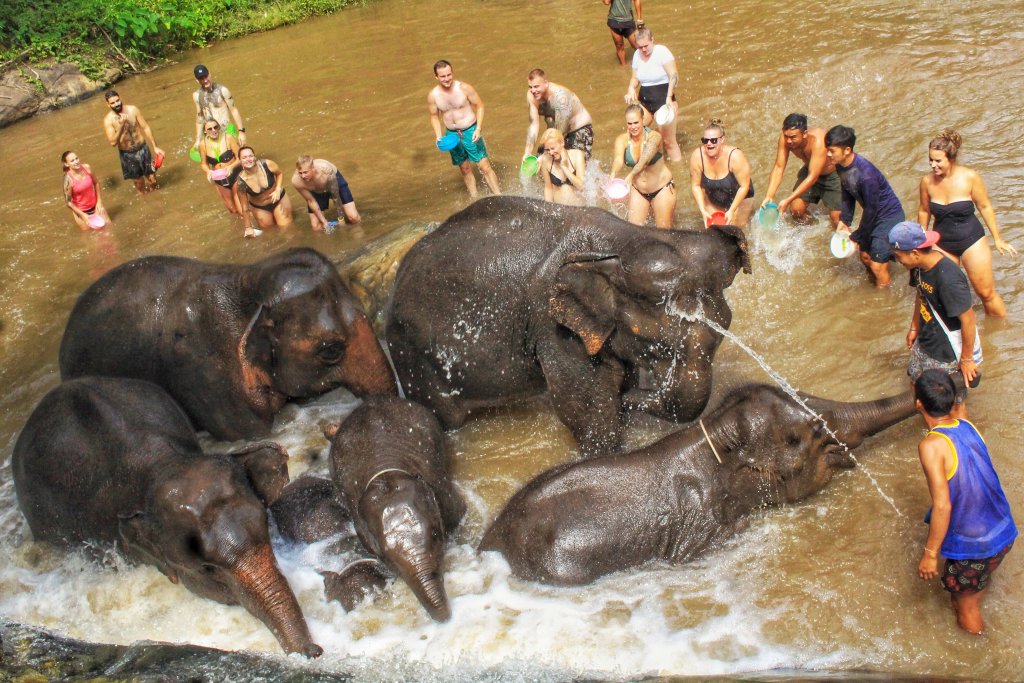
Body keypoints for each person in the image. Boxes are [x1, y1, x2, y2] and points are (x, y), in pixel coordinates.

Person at [912, 368, 1016, 636]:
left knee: (964, 606)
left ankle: (978, 656)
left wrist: (930, 554)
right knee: (971, 587)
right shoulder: (966, 424)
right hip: (1003, 531)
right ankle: (975, 587)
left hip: (977, 547)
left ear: (919, 403)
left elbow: (943, 505)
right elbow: (960, 407)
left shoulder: (931, 445)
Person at [917, 129, 1017, 318]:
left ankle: (1000, 330)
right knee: (944, 295)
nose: (933, 165)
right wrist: (921, 240)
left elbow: (985, 206)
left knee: (986, 293)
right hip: (942, 242)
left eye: (938, 161)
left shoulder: (970, 177)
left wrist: (998, 239)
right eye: (930, 160)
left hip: (971, 241)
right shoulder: (927, 182)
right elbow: (924, 210)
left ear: (951, 158)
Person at [889, 221, 980, 406]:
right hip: (926, 339)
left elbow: (968, 319)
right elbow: (921, 294)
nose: (898, 261)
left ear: (915, 253)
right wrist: (914, 327)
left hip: (946, 352)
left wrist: (967, 359)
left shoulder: (948, 278)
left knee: (949, 403)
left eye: (899, 256)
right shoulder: (919, 268)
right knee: (916, 385)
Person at [826, 125, 905, 288]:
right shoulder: (841, 166)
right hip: (874, 214)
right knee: (866, 257)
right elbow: (847, 192)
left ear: (847, 150)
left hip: (888, 217)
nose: (828, 154)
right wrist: (845, 221)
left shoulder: (866, 175)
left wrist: (858, 236)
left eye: (832, 150)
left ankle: (883, 299)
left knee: (876, 265)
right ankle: (876, 282)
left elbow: (871, 209)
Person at [427, 60, 501, 198]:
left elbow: (480, 106)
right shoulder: (433, 95)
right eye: (443, 76)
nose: (447, 79)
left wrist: (478, 128)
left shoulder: (464, 88)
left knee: (484, 167)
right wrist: (438, 135)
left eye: (449, 75)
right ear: (436, 77)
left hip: (470, 130)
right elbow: (434, 116)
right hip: (452, 135)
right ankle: (474, 198)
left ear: (452, 73)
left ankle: (499, 196)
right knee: (465, 169)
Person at [761, 113, 842, 227]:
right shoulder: (785, 138)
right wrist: (769, 195)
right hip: (810, 170)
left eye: (793, 137)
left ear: (804, 134)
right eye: (786, 136)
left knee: (837, 219)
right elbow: (779, 167)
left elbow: (813, 177)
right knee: (796, 211)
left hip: (831, 175)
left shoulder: (819, 141)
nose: (789, 141)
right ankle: (815, 228)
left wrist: (788, 200)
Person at [611, 104, 675, 228]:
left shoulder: (655, 137)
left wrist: (631, 174)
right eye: (629, 124)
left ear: (643, 120)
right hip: (639, 190)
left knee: (664, 233)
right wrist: (613, 173)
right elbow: (618, 159)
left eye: (636, 122)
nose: (633, 127)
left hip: (661, 188)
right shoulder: (622, 140)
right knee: (633, 232)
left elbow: (644, 161)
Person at [623, 28, 682, 162]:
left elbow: (674, 76)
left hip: (664, 100)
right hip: (644, 101)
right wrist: (631, 88)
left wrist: (669, 98)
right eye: (640, 47)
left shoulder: (662, 52)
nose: (643, 50)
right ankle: (643, 168)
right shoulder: (637, 55)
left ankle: (678, 172)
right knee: (634, 135)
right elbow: (635, 78)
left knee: (668, 142)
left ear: (652, 40)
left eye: (646, 46)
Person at [689, 118, 755, 228]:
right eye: (705, 141)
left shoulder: (735, 156)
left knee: (736, 229)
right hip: (714, 198)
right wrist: (702, 209)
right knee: (715, 231)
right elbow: (696, 186)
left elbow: (744, 186)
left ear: (722, 139)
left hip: (741, 197)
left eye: (713, 140)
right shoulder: (697, 156)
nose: (709, 144)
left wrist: (732, 210)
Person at [523, 69, 595, 161]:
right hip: (555, 132)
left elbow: (561, 132)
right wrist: (527, 152)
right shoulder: (531, 96)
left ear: (546, 83)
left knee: (574, 165)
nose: (533, 90)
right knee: (538, 164)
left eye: (536, 87)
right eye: (530, 87)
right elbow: (534, 124)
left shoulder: (561, 98)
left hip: (579, 131)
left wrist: (546, 155)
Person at [102, 90, 163, 194]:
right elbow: (113, 142)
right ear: (108, 104)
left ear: (120, 98)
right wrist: (121, 125)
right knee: (140, 185)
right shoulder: (108, 120)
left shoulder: (133, 110)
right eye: (113, 103)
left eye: (117, 100)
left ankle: (157, 197)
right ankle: (147, 203)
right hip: (128, 154)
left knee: (153, 180)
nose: (116, 104)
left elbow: (146, 127)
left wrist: (155, 147)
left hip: (143, 149)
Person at [233, 147, 292, 238]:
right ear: (240, 161)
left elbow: (279, 174)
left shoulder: (267, 164)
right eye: (244, 157)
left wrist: (277, 188)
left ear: (254, 157)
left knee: (287, 229)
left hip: (279, 200)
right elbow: (244, 207)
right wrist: (248, 227)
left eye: (250, 156)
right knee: (270, 234)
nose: (248, 159)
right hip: (260, 207)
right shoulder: (240, 182)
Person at [291, 155, 360, 231]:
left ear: (313, 169)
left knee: (353, 218)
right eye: (300, 173)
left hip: (333, 181)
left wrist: (341, 219)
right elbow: (311, 201)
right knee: (316, 227)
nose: (303, 176)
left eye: (305, 172)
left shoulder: (327, 172)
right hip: (315, 190)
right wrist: (324, 222)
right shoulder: (296, 181)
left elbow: (336, 197)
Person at [192, 64, 246, 148]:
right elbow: (200, 118)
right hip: (211, 134)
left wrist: (241, 131)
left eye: (206, 76)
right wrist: (198, 139)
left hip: (227, 131)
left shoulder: (223, 90)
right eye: (201, 78)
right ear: (197, 80)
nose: (205, 80)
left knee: (239, 157)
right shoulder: (196, 95)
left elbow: (234, 110)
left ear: (210, 74)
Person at [198, 118, 241, 214]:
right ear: (205, 131)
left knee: (241, 209)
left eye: (215, 127)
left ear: (219, 127)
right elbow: (204, 164)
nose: (213, 130)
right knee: (233, 210)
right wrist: (208, 171)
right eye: (210, 129)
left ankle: (251, 227)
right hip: (219, 178)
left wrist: (231, 167)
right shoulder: (203, 144)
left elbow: (240, 158)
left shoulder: (228, 138)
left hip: (235, 175)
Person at [61, 151, 111, 230]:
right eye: (72, 161)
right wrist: (83, 215)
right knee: (91, 237)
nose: (76, 161)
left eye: (76, 158)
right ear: (66, 164)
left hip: (95, 206)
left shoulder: (87, 168)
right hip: (81, 212)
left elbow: (96, 183)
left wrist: (99, 202)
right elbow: (68, 202)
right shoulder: (68, 180)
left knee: (109, 228)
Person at [539, 128, 586, 206]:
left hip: (579, 210)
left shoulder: (577, 155)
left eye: (553, 148)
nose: (550, 152)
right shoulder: (545, 160)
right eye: (547, 150)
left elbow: (581, 186)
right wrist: (548, 210)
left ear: (562, 143)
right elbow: (548, 188)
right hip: (559, 211)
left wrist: (564, 168)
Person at [603, 0, 644, 66]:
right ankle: (624, 69)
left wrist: (640, 19)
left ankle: (647, 65)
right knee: (619, 46)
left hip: (628, 21)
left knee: (639, 46)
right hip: (614, 21)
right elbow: (606, 2)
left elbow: (637, 1)